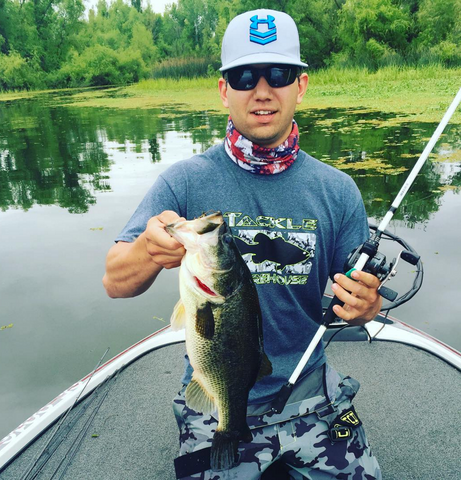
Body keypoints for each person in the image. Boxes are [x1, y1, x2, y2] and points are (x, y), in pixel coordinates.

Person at [103, 9, 383, 479]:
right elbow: (115, 281)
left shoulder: (338, 191)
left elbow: (354, 297)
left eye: (278, 73)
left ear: (301, 85)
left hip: (311, 392)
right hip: (215, 396)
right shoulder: (183, 182)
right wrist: (147, 252)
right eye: (243, 75)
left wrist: (365, 305)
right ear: (223, 90)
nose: (262, 89)